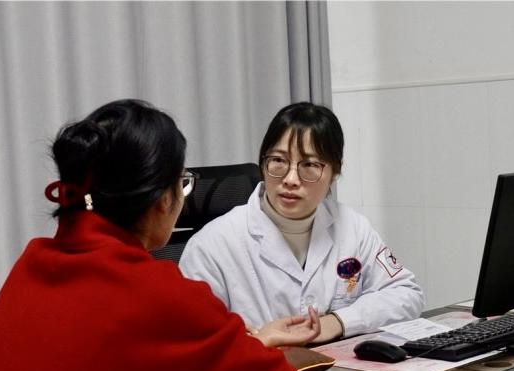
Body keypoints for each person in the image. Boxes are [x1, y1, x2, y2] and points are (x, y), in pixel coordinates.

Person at [0, 99, 320, 371]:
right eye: (183, 183)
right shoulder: (153, 293)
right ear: (161, 199)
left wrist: (251, 341)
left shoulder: (31, 266)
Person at [180, 101, 424, 343]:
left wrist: (338, 322)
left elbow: (406, 294)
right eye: (278, 160)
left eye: (309, 165)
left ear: (335, 172)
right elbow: (194, 340)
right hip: (257, 366)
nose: (291, 179)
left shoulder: (353, 228)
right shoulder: (211, 245)